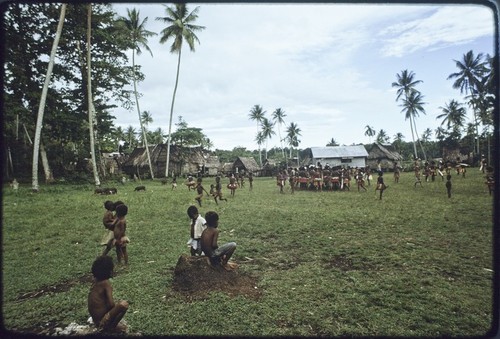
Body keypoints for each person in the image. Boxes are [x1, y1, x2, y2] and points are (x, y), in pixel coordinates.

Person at [88, 255, 129, 333]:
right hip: (102, 321)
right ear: (109, 271)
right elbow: (111, 304)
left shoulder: (95, 281)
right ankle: (111, 327)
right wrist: (116, 309)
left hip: (95, 320)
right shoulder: (106, 283)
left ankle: (109, 326)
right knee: (123, 304)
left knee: (118, 306)